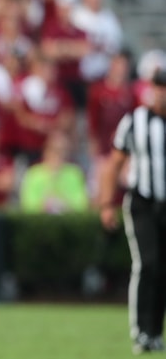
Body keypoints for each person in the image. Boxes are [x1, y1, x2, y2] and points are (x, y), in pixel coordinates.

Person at [98, 68, 166, 354]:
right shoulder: (134, 121)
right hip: (143, 201)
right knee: (147, 263)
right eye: (159, 87)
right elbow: (113, 164)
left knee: (162, 268)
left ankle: (154, 332)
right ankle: (140, 332)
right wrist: (106, 203)